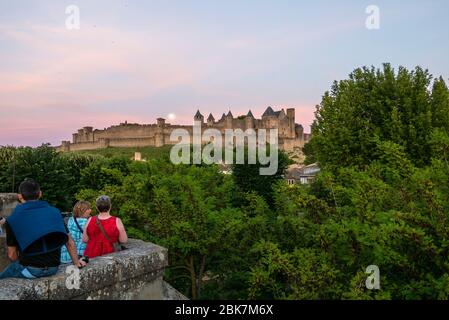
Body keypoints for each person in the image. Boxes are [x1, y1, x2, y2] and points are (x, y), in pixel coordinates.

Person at [0, 179, 87, 280]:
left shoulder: (12, 219)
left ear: (20, 196)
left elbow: (12, 255)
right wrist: (76, 263)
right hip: (53, 268)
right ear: (40, 194)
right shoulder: (55, 212)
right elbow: (69, 242)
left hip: (30, 269)